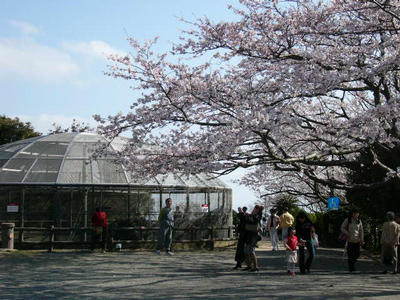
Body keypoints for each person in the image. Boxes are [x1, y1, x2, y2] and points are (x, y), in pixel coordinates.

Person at [239, 205, 264, 271]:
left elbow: (250, 221)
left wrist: (243, 214)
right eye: (254, 208)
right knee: (246, 251)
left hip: (253, 236)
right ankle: (249, 265)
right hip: (249, 235)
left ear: (258, 210)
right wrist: (245, 214)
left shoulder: (256, 216)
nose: (254, 209)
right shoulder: (253, 215)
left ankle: (255, 267)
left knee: (251, 251)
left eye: (255, 209)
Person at [340, 208, 364, 273]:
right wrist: (347, 233)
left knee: (357, 254)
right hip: (350, 240)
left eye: (357, 213)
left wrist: (362, 239)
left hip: (357, 240)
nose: (356, 214)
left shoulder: (359, 221)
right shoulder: (348, 220)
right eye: (355, 213)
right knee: (350, 255)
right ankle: (351, 269)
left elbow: (361, 231)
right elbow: (342, 227)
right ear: (352, 213)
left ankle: (352, 265)